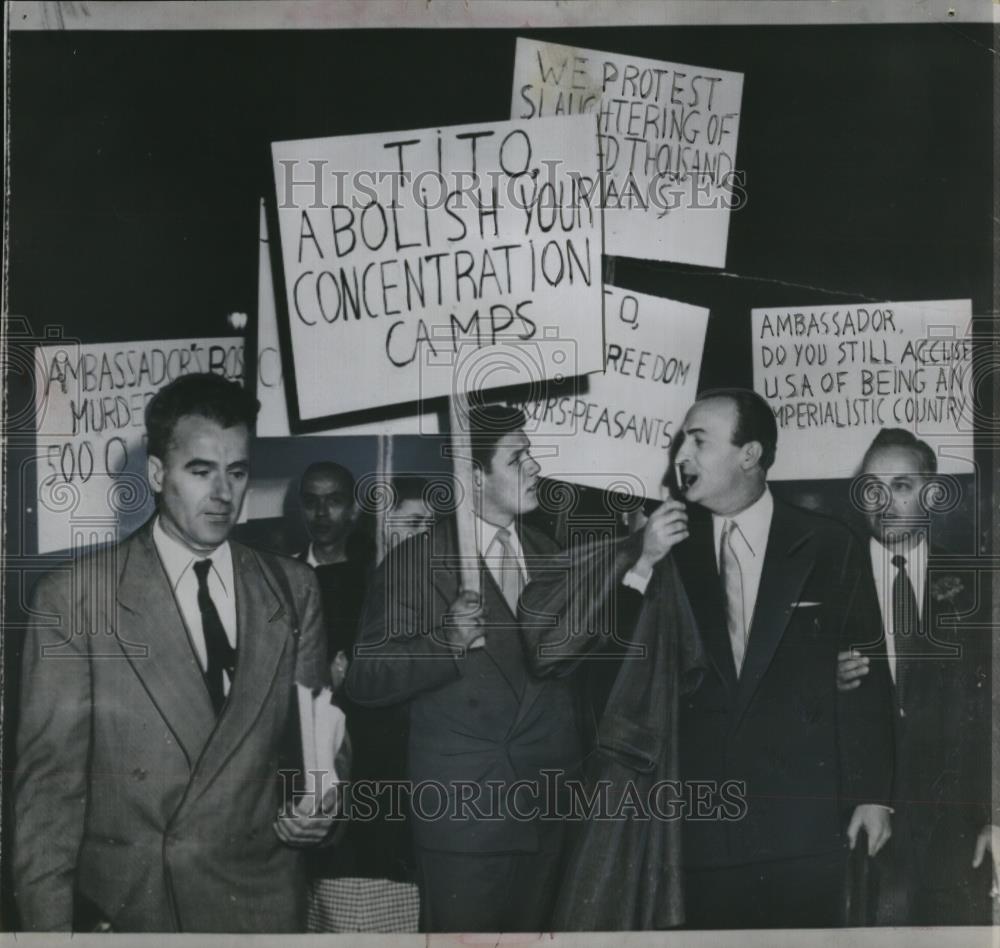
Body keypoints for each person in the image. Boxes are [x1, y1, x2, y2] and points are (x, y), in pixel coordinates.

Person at [524, 388, 896, 929]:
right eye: (680, 441)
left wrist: (873, 795)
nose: (682, 455)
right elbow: (613, 678)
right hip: (697, 827)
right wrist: (642, 564)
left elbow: (867, 675)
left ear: (750, 454)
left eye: (699, 440)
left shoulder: (828, 542)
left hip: (806, 820)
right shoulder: (665, 544)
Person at [12, 373, 338, 933]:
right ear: (159, 474)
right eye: (200, 471)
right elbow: (47, 797)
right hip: (141, 910)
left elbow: (320, 736)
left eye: (237, 472)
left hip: (263, 905)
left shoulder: (293, 589)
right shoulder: (76, 599)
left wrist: (321, 801)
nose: (223, 494)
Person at [346, 405, 580, 933]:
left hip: (551, 809)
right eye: (518, 458)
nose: (535, 468)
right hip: (466, 820)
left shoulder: (553, 555)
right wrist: (445, 643)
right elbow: (365, 677)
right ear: (474, 476)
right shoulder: (415, 562)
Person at [836, 427, 993, 924]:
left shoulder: (977, 586)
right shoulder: (827, 580)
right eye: (872, 488)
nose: (885, 502)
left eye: (901, 486)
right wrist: (823, 680)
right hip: (861, 823)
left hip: (959, 829)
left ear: (931, 492)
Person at [296, 461, 417, 932]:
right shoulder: (278, 575)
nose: (322, 511)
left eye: (334, 499)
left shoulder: (377, 574)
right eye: (311, 500)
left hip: (377, 753)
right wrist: (317, 680)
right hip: (310, 749)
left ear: (352, 509)